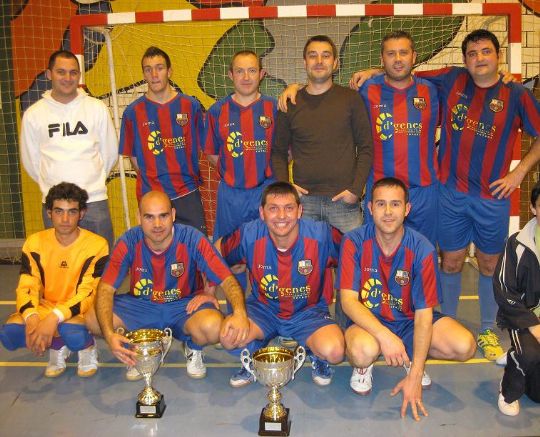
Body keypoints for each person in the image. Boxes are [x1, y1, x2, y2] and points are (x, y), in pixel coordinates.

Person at [351, 29, 540, 361]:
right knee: (449, 261)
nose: (479, 58)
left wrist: (518, 173)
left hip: (489, 196)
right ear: (464, 60)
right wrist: (374, 73)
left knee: (488, 262)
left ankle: (485, 328)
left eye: (486, 52)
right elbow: (406, 72)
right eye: (473, 53)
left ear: (498, 56)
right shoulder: (451, 81)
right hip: (450, 192)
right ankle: (443, 322)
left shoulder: (514, 93)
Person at [337, 177, 476, 421]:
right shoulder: (354, 241)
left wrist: (416, 373)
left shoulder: (422, 249)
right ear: (370, 208)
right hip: (368, 323)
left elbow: (424, 315)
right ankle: (364, 367)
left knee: (465, 346)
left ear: (407, 209)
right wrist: (384, 336)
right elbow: (348, 301)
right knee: (362, 351)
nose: (388, 212)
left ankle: (411, 361)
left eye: (395, 204)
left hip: (410, 322)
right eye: (381, 204)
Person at [85, 191, 249, 380]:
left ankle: (192, 347)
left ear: (172, 215)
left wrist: (239, 313)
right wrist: (109, 335)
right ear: (139, 217)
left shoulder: (191, 238)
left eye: (163, 216)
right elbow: (105, 289)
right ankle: (136, 350)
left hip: (183, 306)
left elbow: (228, 279)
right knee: (93, 318)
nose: (157, 225)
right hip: (142, 306)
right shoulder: (128, 242)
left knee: (213, 326)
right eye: (149, 217)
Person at [216, 181, 345, 387]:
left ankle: (313, 350)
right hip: (263, 311)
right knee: (228, 338)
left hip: (308, 312)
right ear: (262, 212)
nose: (282, 216)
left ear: (300, 210)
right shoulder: (249, 234)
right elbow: (213, 255)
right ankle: (254, 355)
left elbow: (356, 258)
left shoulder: (322, 234)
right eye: (273, 209)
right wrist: (208, 293)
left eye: (289, 208)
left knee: (335, 352)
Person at [0, 182, 109, 378]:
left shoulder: (97, 245)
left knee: (72, 333)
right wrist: (32, 318)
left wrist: (53, 319)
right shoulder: (34, 242)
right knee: (10, 334)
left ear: (82, 213)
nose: (65, 219)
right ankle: (58, 346)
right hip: (47, 305)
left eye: (72, 212)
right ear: (49, 213)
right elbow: (27, 285)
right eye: (59, 211)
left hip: (81, 310)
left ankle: (86, 347)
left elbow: (88, 293)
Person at [271, 35, 372, 234]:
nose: (319, 61)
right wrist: (286, 186)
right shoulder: (290, 103)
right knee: (306, 264)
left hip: (345, 204)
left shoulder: (351, 99)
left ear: (335, 63)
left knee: (351, 263)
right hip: (303, 204)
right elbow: (278, 152)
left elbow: (366, 147)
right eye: (313, 56)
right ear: (304, 62)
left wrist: (355, 189)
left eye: (325, 56)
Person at [20, 50, 118, 248]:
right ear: (49, 74)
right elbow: (32, 162)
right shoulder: (33, 114)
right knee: (61, 269)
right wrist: (52, 188)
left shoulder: (96, 108)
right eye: (61, 72)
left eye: (73, 73)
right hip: (55, 205)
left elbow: (110, 153)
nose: (67, 78)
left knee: (100, 267)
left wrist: (92, 182)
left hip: (94, 202)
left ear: (79, 75)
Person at [119, 46, 207, 234]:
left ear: (169, 71)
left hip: (187, 193)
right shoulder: (132, 113)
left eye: (159, 67)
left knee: (194, 250)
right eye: (148, 69)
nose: (154, 74)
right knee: (157, 254)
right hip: (152, 197)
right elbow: (134, 159)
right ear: (144, 73)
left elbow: (203, 146)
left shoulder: (190, 106)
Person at [203, 50, 277, 242]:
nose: (246, 77)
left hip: (266, 193)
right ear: (230, 75)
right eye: (240, 71)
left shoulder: (275, 108)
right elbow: (212, 154)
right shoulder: (216, 111)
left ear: (262, 74)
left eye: (252, 70)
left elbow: (286, 152)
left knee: (264, 252)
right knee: (228, 252)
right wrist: (234, 173)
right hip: (230, 196)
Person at [493, 181, 540, 416]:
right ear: (533, 208)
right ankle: (507, 389)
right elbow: (504, 290)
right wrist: (533, 325)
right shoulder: (517, 245)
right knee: (529, 354)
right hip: (522, 317)